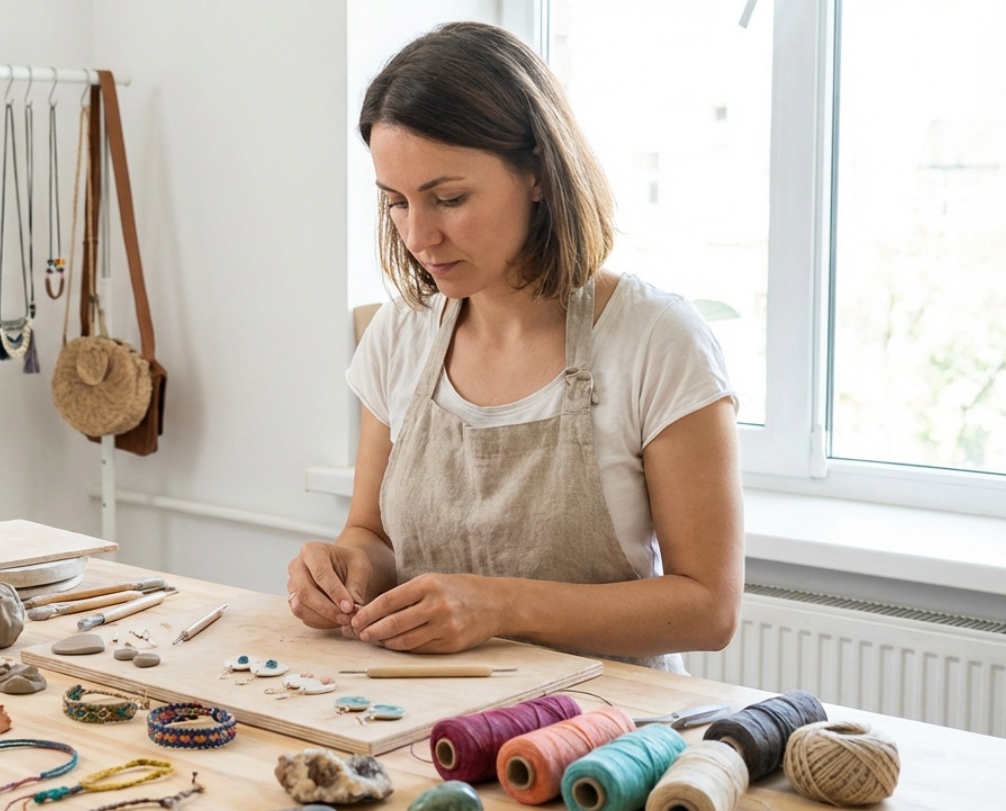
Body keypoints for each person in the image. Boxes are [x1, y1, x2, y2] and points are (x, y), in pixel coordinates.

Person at [286, 22, 743, 673]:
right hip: (426, 716)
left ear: (536, 171)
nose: (418, 236)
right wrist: (345, 570)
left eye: (449, 198)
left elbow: (708, 609)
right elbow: (373, 535)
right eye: (395, 203)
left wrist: (500, 607)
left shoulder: (658, 341)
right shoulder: (401, 331)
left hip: (602, 736)